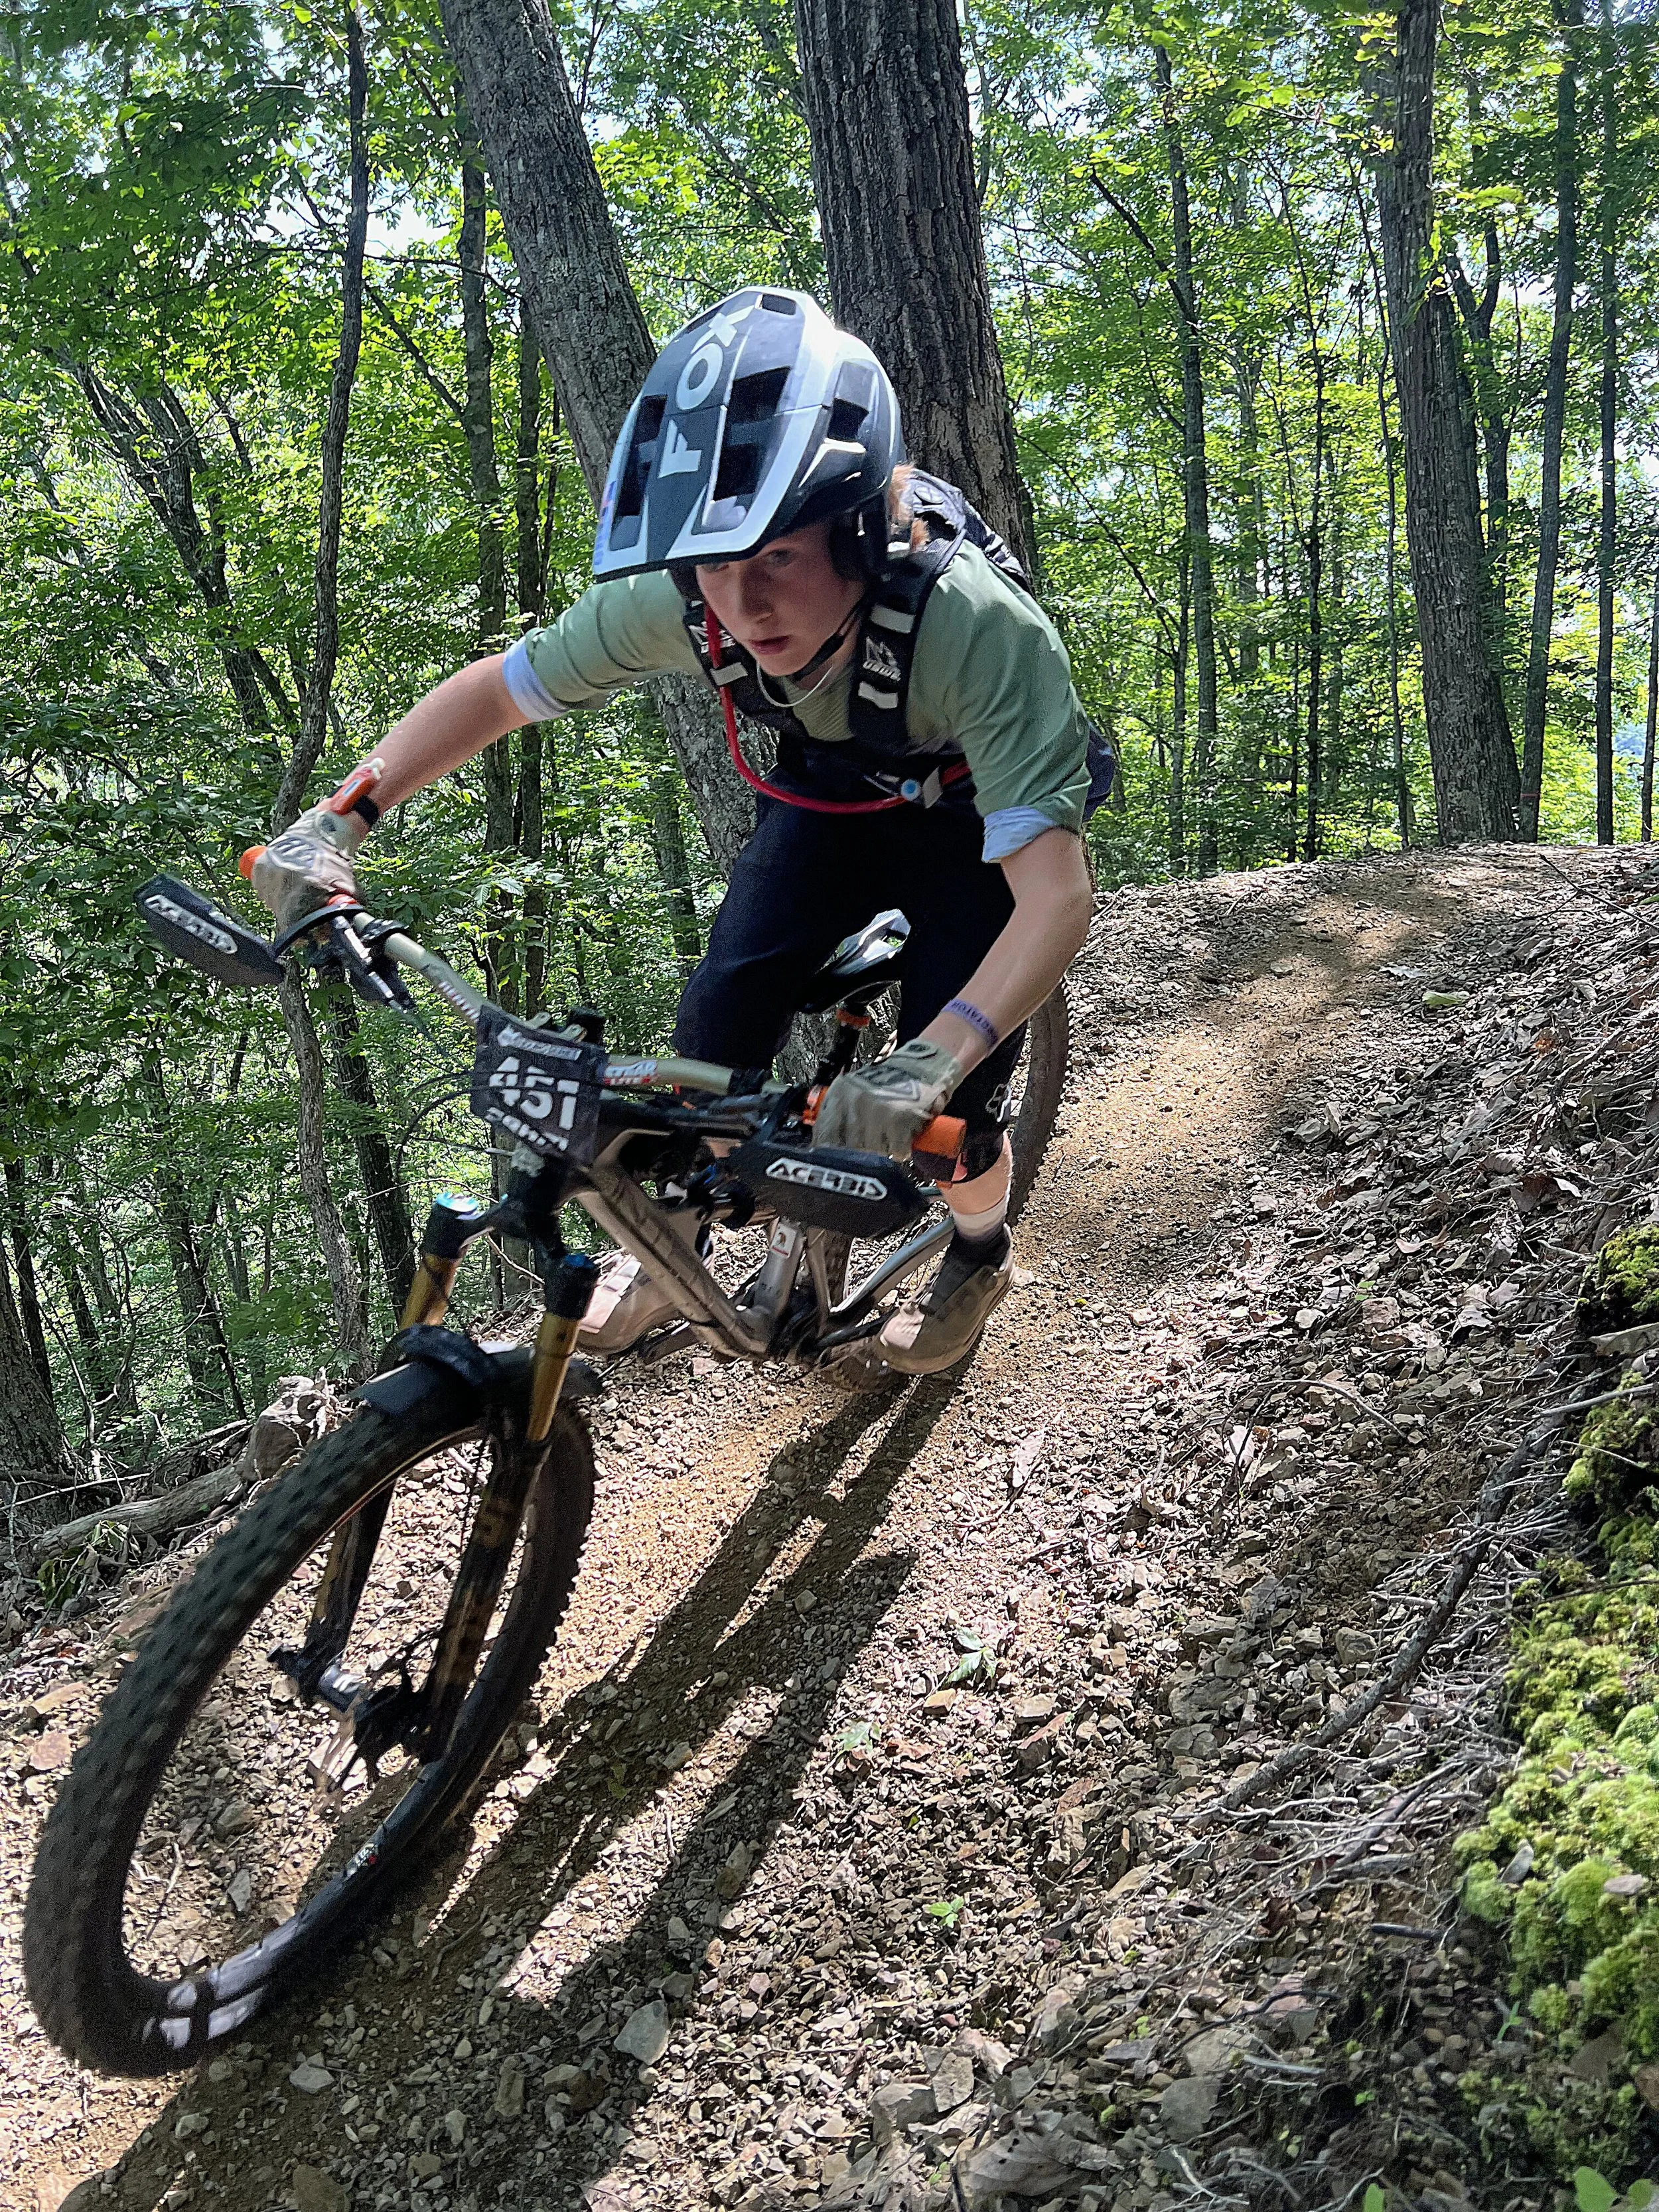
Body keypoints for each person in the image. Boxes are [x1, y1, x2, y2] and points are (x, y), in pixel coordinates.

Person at [253, 288, 1106, 1374]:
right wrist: (342, 817)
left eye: (778, 561)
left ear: (856, 528)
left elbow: (1057, 900)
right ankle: (681, 1242)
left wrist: (925, 1067)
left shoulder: (977, 626)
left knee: (953, 1117)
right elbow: (501, 691)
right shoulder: (689, 599)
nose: (742, 606)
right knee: (709, 1034)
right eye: (714, 566)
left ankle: (980, 1254)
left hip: (970, 815)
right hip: (828, 797)